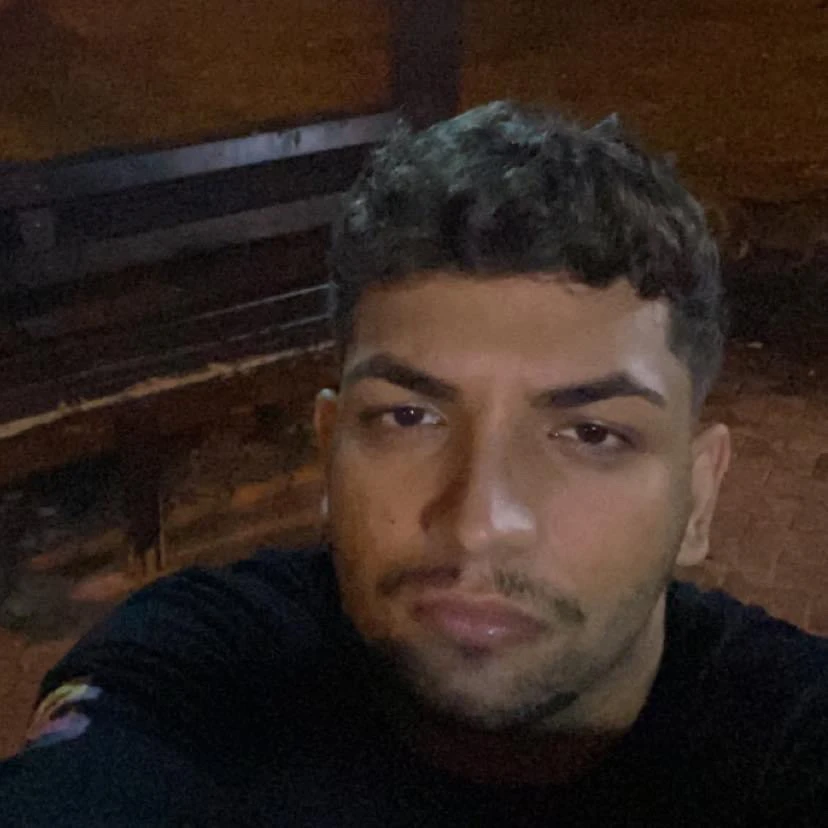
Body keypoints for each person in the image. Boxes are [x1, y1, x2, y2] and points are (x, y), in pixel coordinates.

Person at [1, 102, 825, 827]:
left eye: (592, 434)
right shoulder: (197, 672)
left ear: (700, 497)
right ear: (330, 453)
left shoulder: (786, 734)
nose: (479, 522)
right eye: (409, 417)